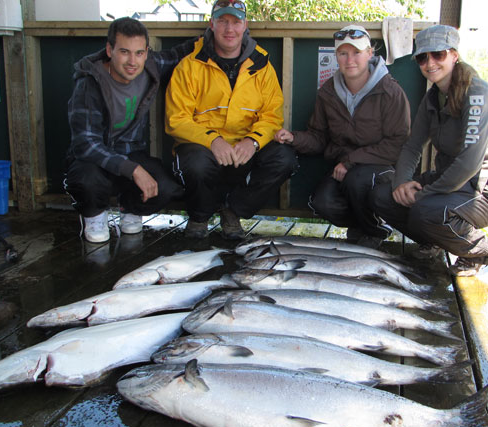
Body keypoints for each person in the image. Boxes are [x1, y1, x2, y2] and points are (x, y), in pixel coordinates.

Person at [165, 0, 298, 240]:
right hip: (204, 153)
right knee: (194, 163)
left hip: (242, 154)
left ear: (245, 25)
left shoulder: (262, 66)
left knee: (284, 158)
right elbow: (177, 120)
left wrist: (253, 141)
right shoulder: (189, 65)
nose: (229, 29)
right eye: (223, 21)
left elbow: (272, 115)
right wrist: (213, 140)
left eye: (236, 22)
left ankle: (232, 211)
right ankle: (199, 217)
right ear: (211, 23)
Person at [275, 25, 411, 249]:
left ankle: (376, 230)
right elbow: (319, 137)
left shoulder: (390, 91)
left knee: (358, 179)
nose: (350, 60)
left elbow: (398, 144)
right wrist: (293, 138)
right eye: (343, 53)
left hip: (379, 169)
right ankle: (362, 225)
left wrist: (351, 161)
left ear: (370, 53)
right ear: (336, 56)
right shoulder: (327, 92)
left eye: (357, 52)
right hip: (343, 170)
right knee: (322, 203)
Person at [371, 24, 488, 277]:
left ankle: (478, 251)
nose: (430, 63)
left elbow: (469, 164)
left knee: (427, 209)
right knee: (383, 196)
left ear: (454, 55)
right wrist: (401, 183)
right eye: (423, 57)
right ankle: (435, 241)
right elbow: (413, 145)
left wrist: (426, 194)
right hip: (447, 182)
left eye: (438, 54)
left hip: (479, 189)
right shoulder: (433, 96)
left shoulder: (476, 92)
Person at [65, 17, 195, 243]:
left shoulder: (151, 66)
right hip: (93, 161)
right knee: (86, 180)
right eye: (124, 52)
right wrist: (134, 169)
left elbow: (181, 52)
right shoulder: (89, 82)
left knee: (166, 187)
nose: (132, 61)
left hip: (131, 153)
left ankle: (129, 208)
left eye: (139, 53)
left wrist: (221, 31)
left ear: (146, 52)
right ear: (110, 50)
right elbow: (86, 144)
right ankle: (94, 214)